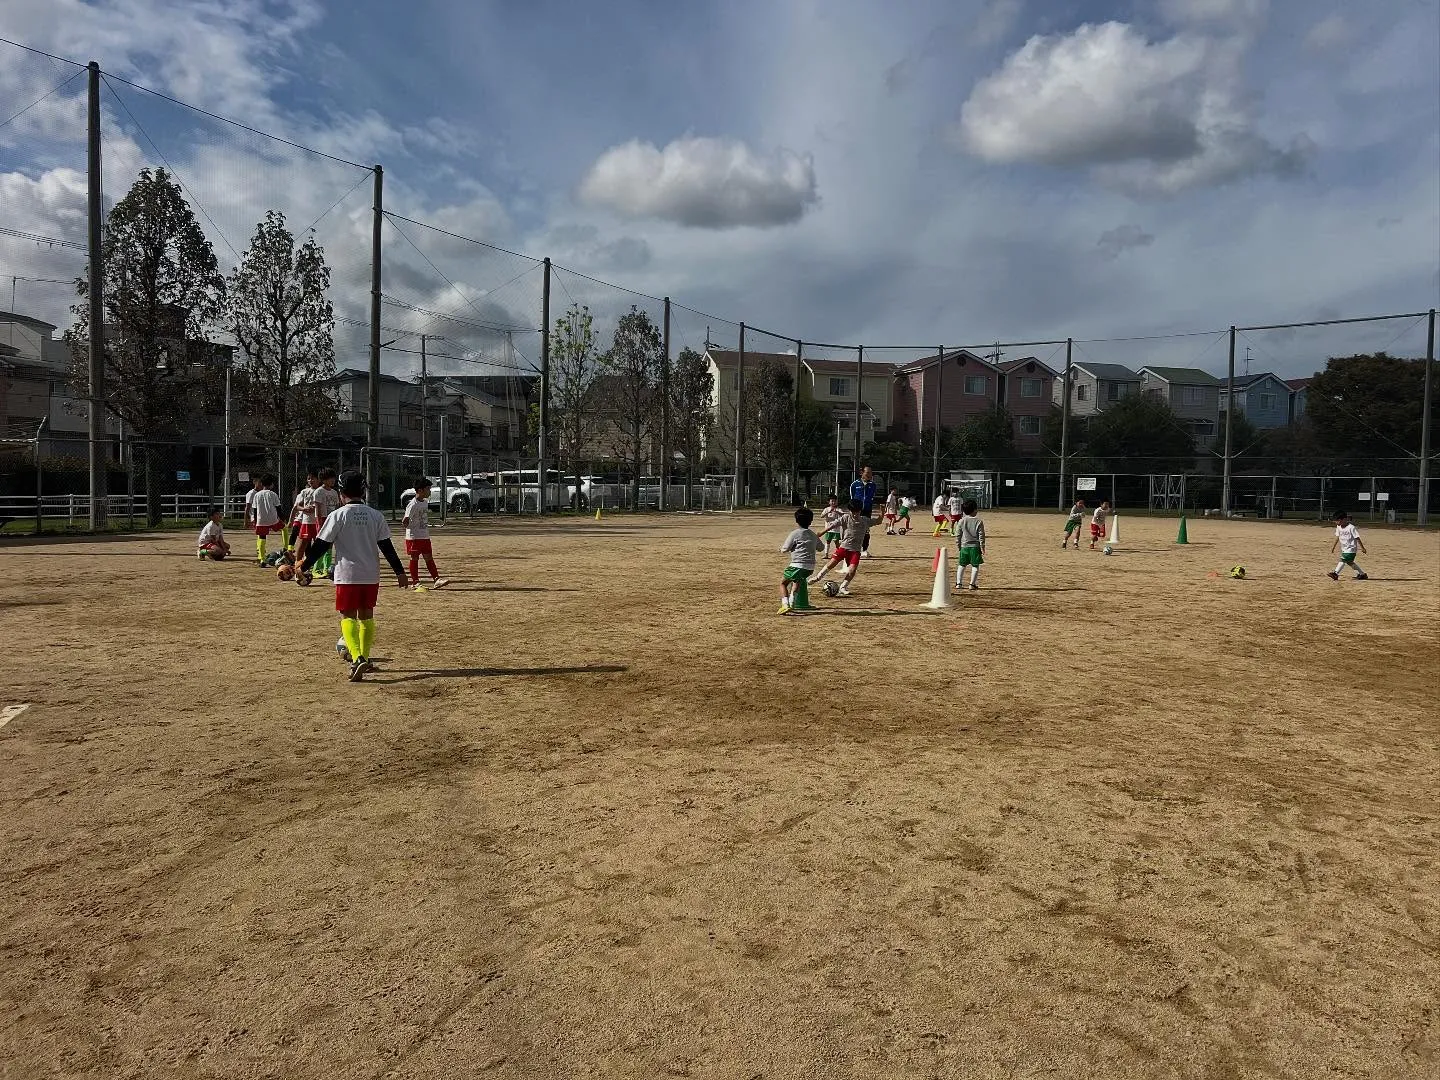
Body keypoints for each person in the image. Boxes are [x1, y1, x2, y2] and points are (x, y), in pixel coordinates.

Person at [298, 470, 410, 682]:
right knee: (367, 616)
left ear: (341, 493)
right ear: (363, 491)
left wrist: (305, 565)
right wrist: (399, 572)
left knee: (348, 616)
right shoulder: (375, 515)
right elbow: (386, 546)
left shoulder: (338, 515)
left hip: (347, 575)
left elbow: (322, 545)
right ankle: (365, 657)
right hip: (370, 575)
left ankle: (357, 657)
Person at [809, 498, 869, 596]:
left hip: (855, 550)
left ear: (860, 511)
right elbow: (832, 525)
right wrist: (822, 532)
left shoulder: (865, 520)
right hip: (844, 547)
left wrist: (882, 512)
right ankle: (818, 577)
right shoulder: (845, 517)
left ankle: (843, 586)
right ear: (850, 511)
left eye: (857, 512)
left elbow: (878, 521)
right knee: (831, 563)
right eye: (853, 512)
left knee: (852, 570)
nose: (855, 514)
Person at [402, 479, 449, 590]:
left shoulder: (424, 502)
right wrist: (408, 525)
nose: (430, 491)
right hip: (414, 537)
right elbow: (405, 520)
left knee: (429, 557)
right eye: (428, 489)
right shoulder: (412, 504)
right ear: (420, 490)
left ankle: (436, 579)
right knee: (414, 558)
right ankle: (415, 582)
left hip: (424, 536)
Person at [778, 506, 822, 614]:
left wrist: (782, 549)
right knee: (797, 581)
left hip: (797, 565)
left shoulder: (795, 533)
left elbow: (785, 548)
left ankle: (785, 604)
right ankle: (793, 602)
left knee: (783, 583)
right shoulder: (813, 535)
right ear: (811, 521)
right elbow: (821, 548)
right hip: (810, 568)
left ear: (796, 520)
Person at [246, 474, 283, 566]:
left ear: (262, 484)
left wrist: (255, 521)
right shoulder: (273, 494)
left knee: (262, 537)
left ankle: (262, 559)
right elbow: (278, 508)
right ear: (272, 485)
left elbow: (255, 510)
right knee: (284, 529)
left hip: (261, 520)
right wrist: (282, 519)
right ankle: (287, 548)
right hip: (273, 519)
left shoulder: (257, 495)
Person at [311, 468, 341, 578]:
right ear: (323, 480)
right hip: (323, 520)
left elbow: (338, 508)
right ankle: (316, 569)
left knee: (329, 546)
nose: (333, 480)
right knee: (322, 545)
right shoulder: (319, 492)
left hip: (333, 520)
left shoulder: (334, 492)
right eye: (330, 478)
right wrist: (320, 523)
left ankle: (326, 569)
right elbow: (318, 510)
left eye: (333, 478)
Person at [954, 498, 986, 591]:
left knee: (961, 565)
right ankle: (972, 584)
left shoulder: (961, 521)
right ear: (975, 510)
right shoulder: (979, 521)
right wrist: (982, 547)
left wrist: (958, 545)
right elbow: (981, 536)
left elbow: (958, 535)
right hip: (975, 547)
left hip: (964, 547)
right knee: (975, 566)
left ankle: (958, 583)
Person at [1328, 510, 1369, 581]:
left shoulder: (1351, 527)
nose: (1336, 523)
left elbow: (1357, 538)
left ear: (1344, 519)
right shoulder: (1338, 527)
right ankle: (1362, 574)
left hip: (1351, 549)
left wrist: (1363, 548)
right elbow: (1337, 537)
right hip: (1344, 548)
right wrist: (1333, 547)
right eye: (1335, 521)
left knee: (1343, 559)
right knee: (1350, 562)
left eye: (1338, 521)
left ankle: (1335, 573)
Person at [292, 469, 320, 567]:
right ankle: (298, 563)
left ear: (318, 479)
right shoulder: (305, 491)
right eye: (309, 479)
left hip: (318, 521)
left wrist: (316, 508)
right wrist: (304, 508)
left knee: (317, 544)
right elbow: (297, 506)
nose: (310, 481)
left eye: (313, 478)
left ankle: (315, 565)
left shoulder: (321, 491)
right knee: (303, 543)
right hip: (307, 521)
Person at [849, 465, 877, 557]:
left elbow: (871, 498)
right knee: (854, 530)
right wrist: (853, 510)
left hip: (867, 510)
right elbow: (852, 498)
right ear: (862, 473)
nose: (869, 475)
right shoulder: (855, 484)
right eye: (867, 472)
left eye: (871, 473)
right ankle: (853, 549)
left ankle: (864, 550)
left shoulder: (873, 485)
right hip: (857, 511)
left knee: (866, 530)